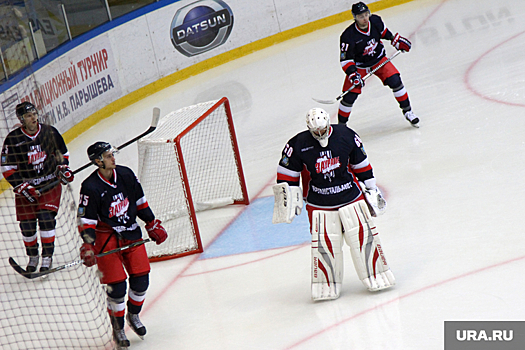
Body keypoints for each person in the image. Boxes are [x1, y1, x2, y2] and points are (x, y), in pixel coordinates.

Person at [273, 108, 395, 301]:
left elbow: (361, 164)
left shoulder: (346, 135)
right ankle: (325, 283)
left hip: (351, 196)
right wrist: (287, 199)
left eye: (323, 130)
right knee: (325, 244)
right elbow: (286, 175)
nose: (320, 135)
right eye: (316, 132)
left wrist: (371, 188)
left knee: (363, 237)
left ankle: (376, 273)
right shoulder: (297, 144)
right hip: (319, 203)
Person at [77, 141, 168, 348]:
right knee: (117, 288)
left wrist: (151, 222)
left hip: (131, 233)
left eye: (112, 154)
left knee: (141, 281)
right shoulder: (90, 187)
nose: (113, 158)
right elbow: (87, 220)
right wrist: (88, 245)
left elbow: (140, 202)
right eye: (108, 155)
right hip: (106, 240)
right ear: (98, 161)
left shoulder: (126, 175)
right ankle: (117, 327)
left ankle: (133, 316)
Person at [1, 101, 74, 273]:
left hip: (49, 185)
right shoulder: (13, 139)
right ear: (21, 119)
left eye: (34, 113)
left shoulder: (50, 132)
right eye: (28, 115)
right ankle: (33, 257)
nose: (33, 117)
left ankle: (47, 258)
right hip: (27, 190)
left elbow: (63, 154)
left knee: (46, 218)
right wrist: (23, 187)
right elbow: (6, 167)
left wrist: (64, 169)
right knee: (27, 227)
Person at [338, 1, 419, 127]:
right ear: (355, 18)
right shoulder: (348, 36)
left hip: (379, 60)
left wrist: (394, 40)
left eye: (366, 14)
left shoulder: (375, 21)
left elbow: (383, 32)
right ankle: (341, 127)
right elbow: (345, 60)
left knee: (396, 81)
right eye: (361, 16)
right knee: (349, 97)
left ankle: (408, 112)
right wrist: (353, 75)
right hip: (360, 66)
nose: (365, 18)